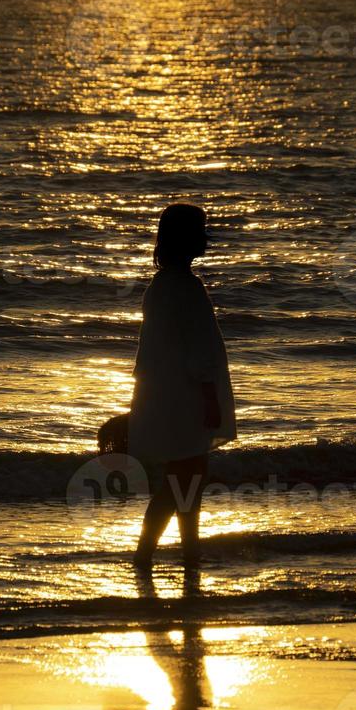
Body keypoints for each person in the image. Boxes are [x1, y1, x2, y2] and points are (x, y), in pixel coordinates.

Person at [129, 204, 236, 568]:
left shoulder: (158, 288)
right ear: (186, 240)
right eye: (199, 233)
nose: (204, 240)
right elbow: (198, 351)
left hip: (165, 397)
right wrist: (210, 397)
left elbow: (150, 354)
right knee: (184, 480)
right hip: (187, 397)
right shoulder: (187, 288)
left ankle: (186, 552)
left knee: (182, 478)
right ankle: (148, 554)